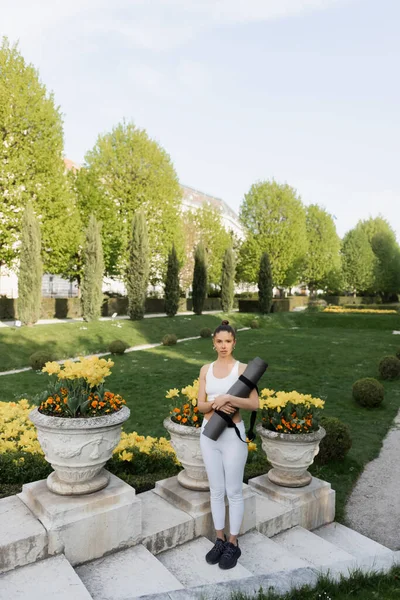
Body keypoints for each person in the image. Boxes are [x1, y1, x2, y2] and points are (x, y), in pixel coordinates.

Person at [197, 320, 259, 570]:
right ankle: (219, 538)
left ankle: (233, 543)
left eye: (228, 341)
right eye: (219, 341)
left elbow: (254, 404)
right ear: (214, 343)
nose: (224, 346)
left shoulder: (243, 370)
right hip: (208, 435)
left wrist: (228, 398)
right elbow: (199, 406)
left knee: (233, 491)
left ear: (235, 343)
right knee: (216, 490)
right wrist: (214, 404)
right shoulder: (205, 369)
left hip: (233, 436)